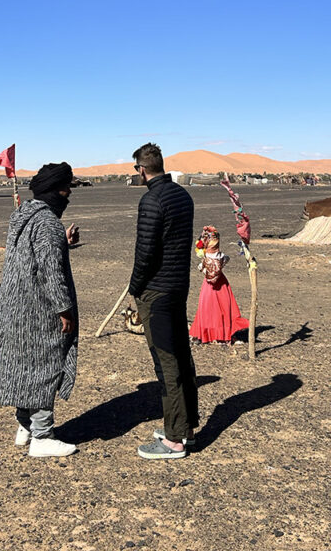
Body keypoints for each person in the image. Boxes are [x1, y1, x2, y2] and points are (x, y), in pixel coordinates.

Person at [0, 162, 79, 458]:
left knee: (23, 365)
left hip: (14, 307)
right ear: (55, 190)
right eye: (66, 188)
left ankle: (25, 425)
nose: (69, 194)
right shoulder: (48, 223)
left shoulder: (23, 215)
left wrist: (62, 243)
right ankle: (42, 435)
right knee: (45, 366)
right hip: (38, 310)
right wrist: (63, 309)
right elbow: (50, 271)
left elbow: (35, 254)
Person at [128, 142, 198, 460]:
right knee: (181, 357)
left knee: (167, 362)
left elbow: (146, 252)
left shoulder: (151, 199)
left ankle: (173, 441)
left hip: (156, 291)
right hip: (177, 287)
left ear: (142, 169)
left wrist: (135, 286)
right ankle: (185, 427)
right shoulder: (182, 195)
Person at [189, 226, 248, 344]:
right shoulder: (221, 257)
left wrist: (203, 266)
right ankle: (222, 333)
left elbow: (205, 271)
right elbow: (226, 260)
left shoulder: (207, 258)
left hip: (209, 286)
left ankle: (207, 334)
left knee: (208, 309)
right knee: (223, 308)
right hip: (221, 284)